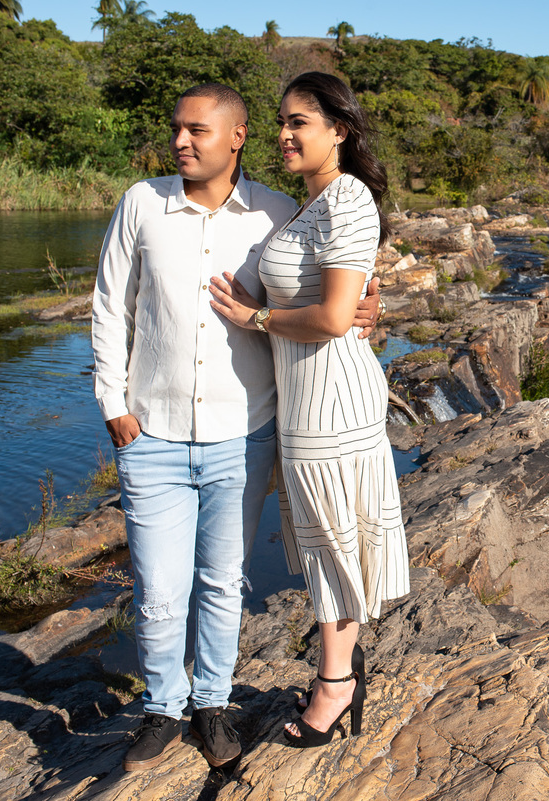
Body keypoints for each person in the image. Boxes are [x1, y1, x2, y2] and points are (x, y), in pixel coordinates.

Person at [92, 82, 382, 771]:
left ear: (235, 137)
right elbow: (109, 305)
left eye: (197, 129)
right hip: (152, 431)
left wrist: (374, 303)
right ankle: (162, 707)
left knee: (224, 580)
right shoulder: (142, 202)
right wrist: (114, 406)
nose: (181, 141)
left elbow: (332, 281)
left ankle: (214, 704)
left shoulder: (281, 212)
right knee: (158, 585)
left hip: (243, 431)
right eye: (176, 129)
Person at [208, 71, 410, 748]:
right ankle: (339, 675)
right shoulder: (309, 204)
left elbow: (329, 318)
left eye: (300, 122)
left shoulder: (347, 200)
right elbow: (340, 300)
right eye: (282, 121)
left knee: (336, 540)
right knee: (329, 538)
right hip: (304, 399)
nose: (284, 134)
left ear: (339, 131)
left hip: (333, 399)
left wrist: (255, 316)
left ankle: (336, 687)